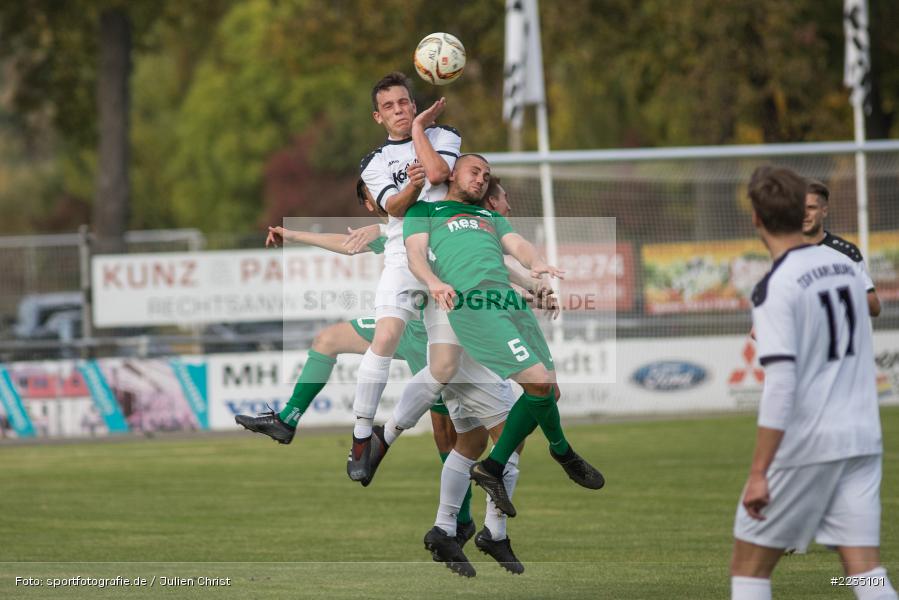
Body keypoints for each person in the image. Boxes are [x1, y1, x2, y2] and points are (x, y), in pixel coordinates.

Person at [234, 181, 479, 546]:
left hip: (432, 335)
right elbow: (347, 244)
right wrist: (293, 235)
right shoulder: (390, 229)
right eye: (372, 195)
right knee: (326, 340)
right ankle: (287, 420)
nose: (378, 199)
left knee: (446, 434)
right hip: (399, 327)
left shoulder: (421, 220)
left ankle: (463, 518)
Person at [404, 154, 605, 519]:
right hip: (475, 304)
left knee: (549, 392)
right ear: (452, 173)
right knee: (538, 383)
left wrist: (536, 266)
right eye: (474, 171)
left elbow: (518, 244)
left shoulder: (489, 217)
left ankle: (493, 467)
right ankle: (561, 451)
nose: (481, 178)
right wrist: (433, 282)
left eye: (486, 175)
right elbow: (414, 254)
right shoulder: (425, 211)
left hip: (510, 303)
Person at [729, 166, 896, 600]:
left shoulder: (776, 286)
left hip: (811, 442)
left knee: (749, 569)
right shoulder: (845, 267)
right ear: (798, 213)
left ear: (757, 219)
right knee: (865, 572)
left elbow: (782, 386)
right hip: (863, 437)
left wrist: (759, 472)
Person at [349, 72, 464, 482]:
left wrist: (419, 131)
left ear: (414, 106)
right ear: (377, 117)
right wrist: (412, 189)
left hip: (447, 258)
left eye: (403, 103)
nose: (397, 110)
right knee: (385, 337)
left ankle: (387, 435)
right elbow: (393, 208)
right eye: (389, 107)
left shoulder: (444, 135)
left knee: (444, 367)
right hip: (403, 255)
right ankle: (361, 436)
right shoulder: (373, 162)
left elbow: (438, 173)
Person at [803, 179, 881, 317]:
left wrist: (835, 289)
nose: (804, 214)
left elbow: (874, 307)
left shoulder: (845, 252)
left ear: (824, 211)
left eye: (811, 207)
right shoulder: (785, 253)